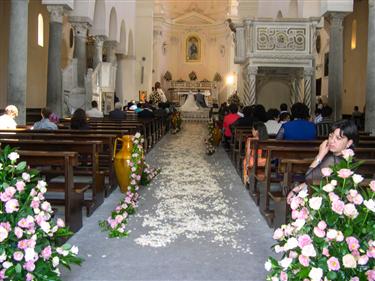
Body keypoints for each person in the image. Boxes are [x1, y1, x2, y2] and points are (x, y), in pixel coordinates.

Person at [287, 119, 358, 203]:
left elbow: (309, 178)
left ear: (349, 143)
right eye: (331, 136)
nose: (332, 140)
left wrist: (320, 154)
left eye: (338, 138)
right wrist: (298, 188)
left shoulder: (333, 160)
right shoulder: (348, 158)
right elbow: (316, 178)